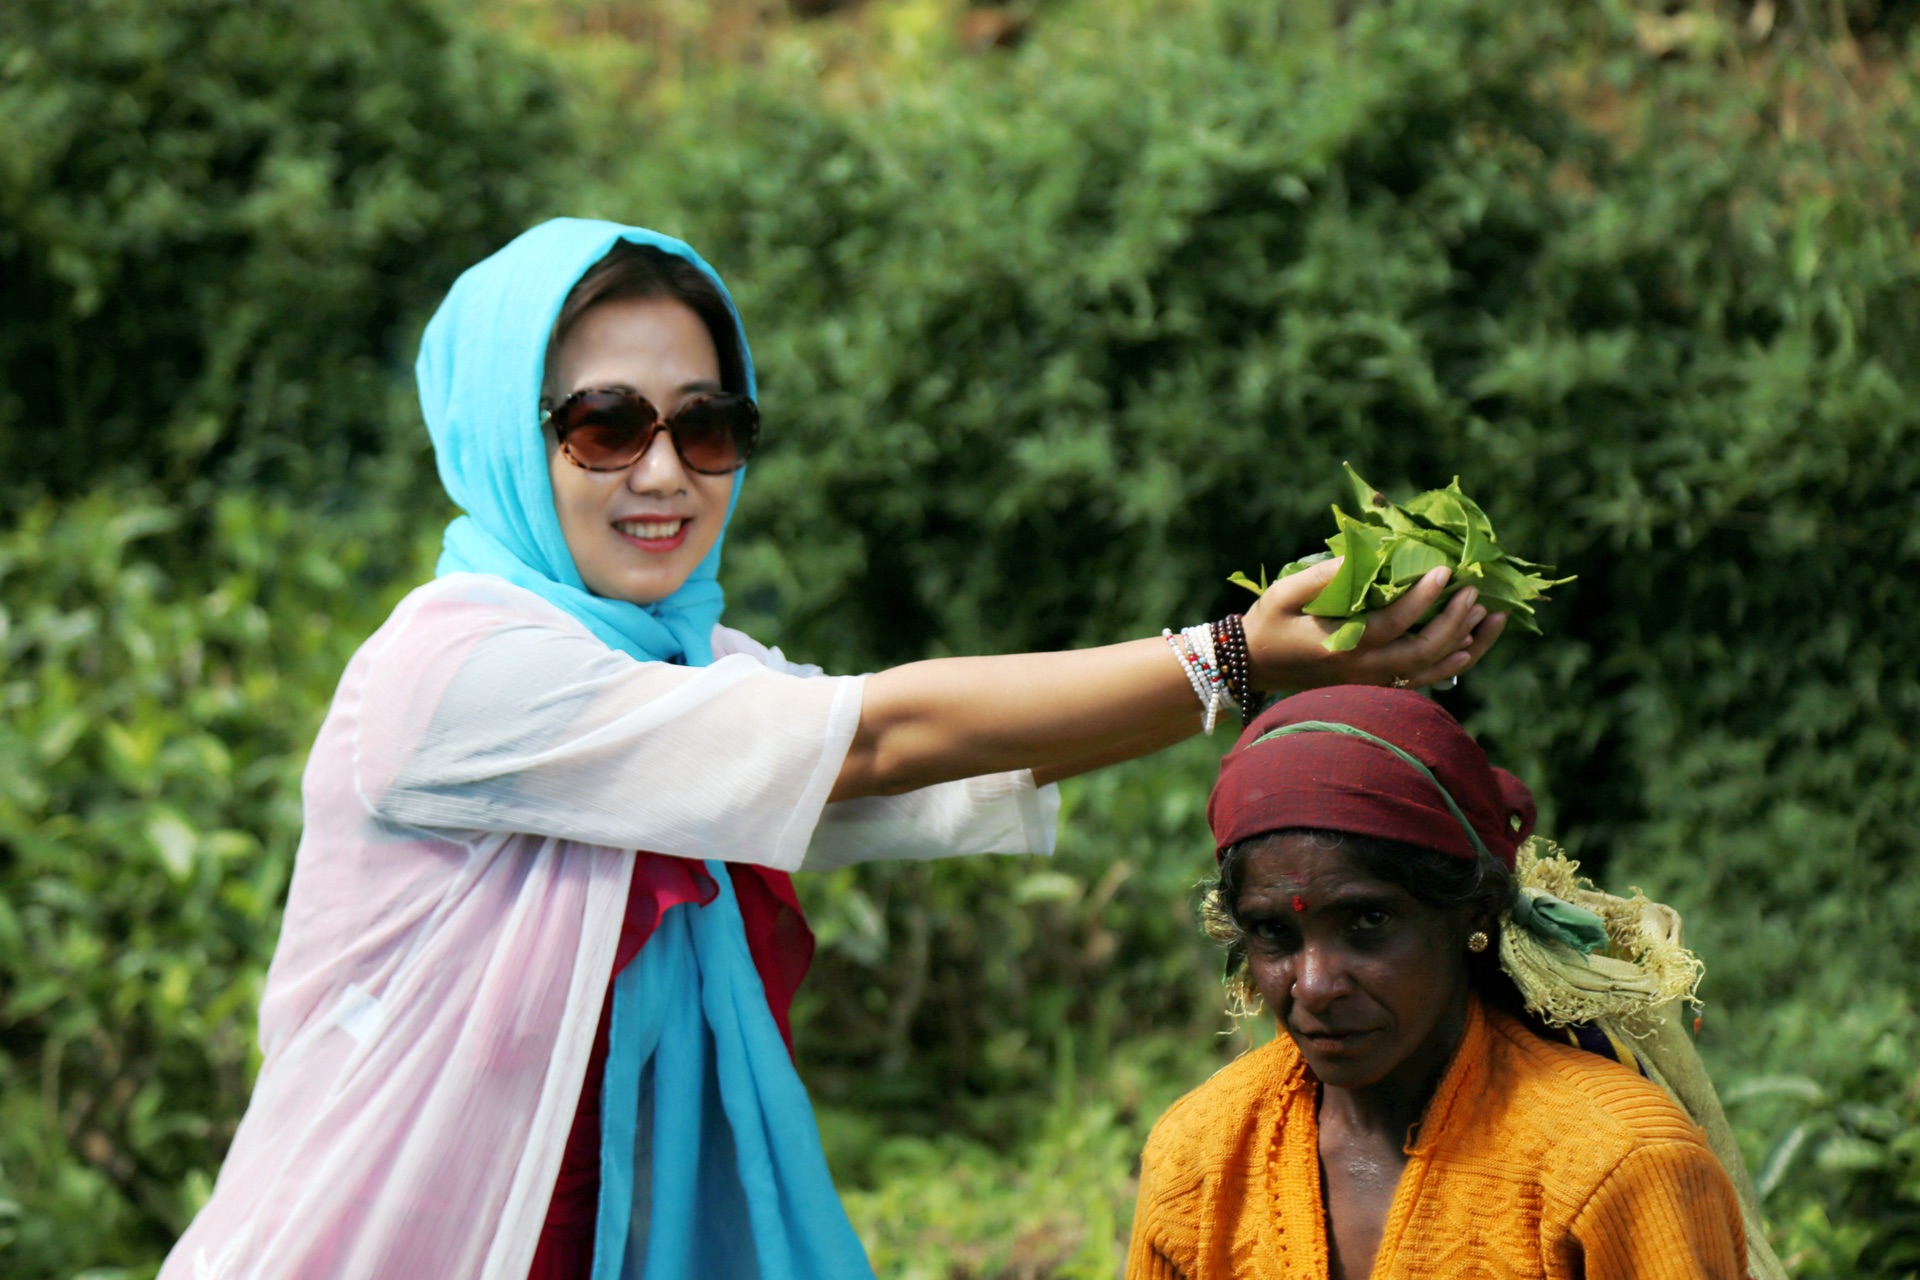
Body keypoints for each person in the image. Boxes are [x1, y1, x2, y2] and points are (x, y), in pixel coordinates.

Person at [159, 219, 1503, 1280]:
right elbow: (873, 741)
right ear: (508, 439)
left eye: (709, 425)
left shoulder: (687, 672)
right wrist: (1234, 659)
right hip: (379, 1237)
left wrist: (1265, 667)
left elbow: (908, 767)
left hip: (586, 1227)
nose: (666, 472)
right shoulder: (454, 672)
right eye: (607, 425)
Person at [1125, 685, 1757, 1280]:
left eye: (1368, 921)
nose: (1314, 986)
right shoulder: (1201, 1156)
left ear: (1474, 912)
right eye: (1272, 933)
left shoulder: (1617, 1164)